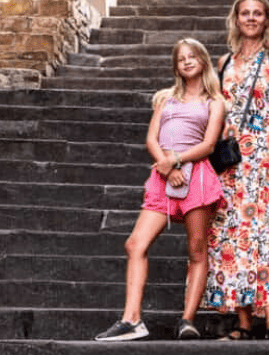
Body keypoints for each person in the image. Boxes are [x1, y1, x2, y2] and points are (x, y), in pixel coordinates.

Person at [95, 38, 226, 342]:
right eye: (181, 59)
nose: (187, 61)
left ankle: (187, 320)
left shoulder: (214, 101)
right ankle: (132, 319)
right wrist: (166, 165)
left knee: (196, 249)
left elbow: (208, 144)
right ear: (176, 66)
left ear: (203, 61)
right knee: (135, 244)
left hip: (198, 177)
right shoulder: (165, 98)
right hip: (163, 176)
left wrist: (176, 161)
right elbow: (152, 138)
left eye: (192, 56)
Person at [203, 0, 269, 340]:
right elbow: (218, 112)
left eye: (257, 13)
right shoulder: (224, 64)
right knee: (233, 238)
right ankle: (243, 323)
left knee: (264, 234)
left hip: (262, 161)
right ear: (235, 19)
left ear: (266, 19)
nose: (250, 18)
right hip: (231, 164)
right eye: (244, 12)